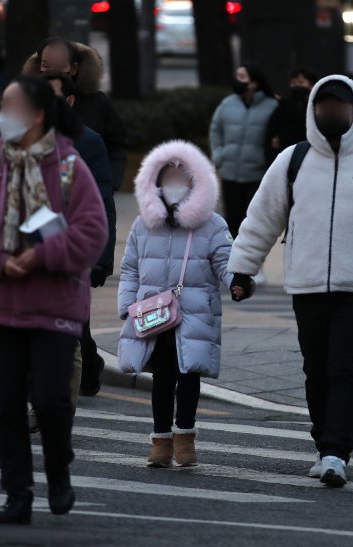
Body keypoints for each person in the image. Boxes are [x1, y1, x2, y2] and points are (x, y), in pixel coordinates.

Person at [227, 76, 353, 487]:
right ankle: (322, 443)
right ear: (313, 110)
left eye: (339, 106)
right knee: (316, 370)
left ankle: (336, 452)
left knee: (342, 368)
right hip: (306, 285)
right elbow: (261, 217)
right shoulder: (291, 161)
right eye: (323, 105)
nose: (331, 113)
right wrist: (242, 267)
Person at [0, 75, 107, 524]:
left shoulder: (69, 167)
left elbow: (91, 233)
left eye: (11, 105)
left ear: (38, 115)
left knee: (51, 400)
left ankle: (58, 470)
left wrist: (39, 256)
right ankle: (17, 494)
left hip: (54, 305)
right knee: (5, 405)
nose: (2, 113)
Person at [117, 140, 233, 468]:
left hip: (194, 311)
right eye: (169, 174)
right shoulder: (143, 224)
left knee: (189, 373)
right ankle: (160, 440)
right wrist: (127, 305)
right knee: (162, 377)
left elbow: (227, 263)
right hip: (154, 313)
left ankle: (185, 436)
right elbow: (129, 269)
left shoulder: (213, 224)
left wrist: (239, 281)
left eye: (182, 175)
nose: (175, 181)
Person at [35, 37, 126, 393]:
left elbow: (102, 197)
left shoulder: (90, 130)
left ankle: (63, 402)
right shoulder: (18, 133)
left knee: (72, 329)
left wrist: (101, 257)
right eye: (44, 63)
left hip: (71, 248)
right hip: (26, 255)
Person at [35, 37, 127, 190]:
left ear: (74, 68)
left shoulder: (98, 102)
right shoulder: (28, 101)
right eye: (46, 65)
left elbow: (117, 146)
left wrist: (108, 183)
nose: (52, 71)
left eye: (59, 65)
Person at [209, 63, 278, 239]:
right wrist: (219, 155)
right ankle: (230, 263)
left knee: (253, 224)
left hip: (257, 175)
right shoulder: (227, 104)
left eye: (241, 77)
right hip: (230, 173)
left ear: (254, 82)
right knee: (231, 222)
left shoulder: (273, 106)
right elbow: (215, 129)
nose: (237, 81)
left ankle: (250, 265)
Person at [265, 66, 318, 164]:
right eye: (293, 83)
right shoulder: (282, 107)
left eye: (300, 82)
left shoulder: (316, 108)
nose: (296, 86)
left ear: (311, 85)